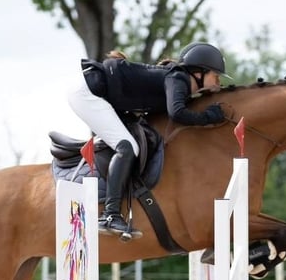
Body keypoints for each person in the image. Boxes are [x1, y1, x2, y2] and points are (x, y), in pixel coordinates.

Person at [67, 42, 230, 240]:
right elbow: (177, 113)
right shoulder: (178, 78)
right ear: (199, 73)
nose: (219, 82)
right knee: (127, 147)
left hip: (99, 93)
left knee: (131, 143)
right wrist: (208, 117)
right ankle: (110, 215)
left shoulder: (178, 82)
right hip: (87, 92)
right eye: (216, 75)